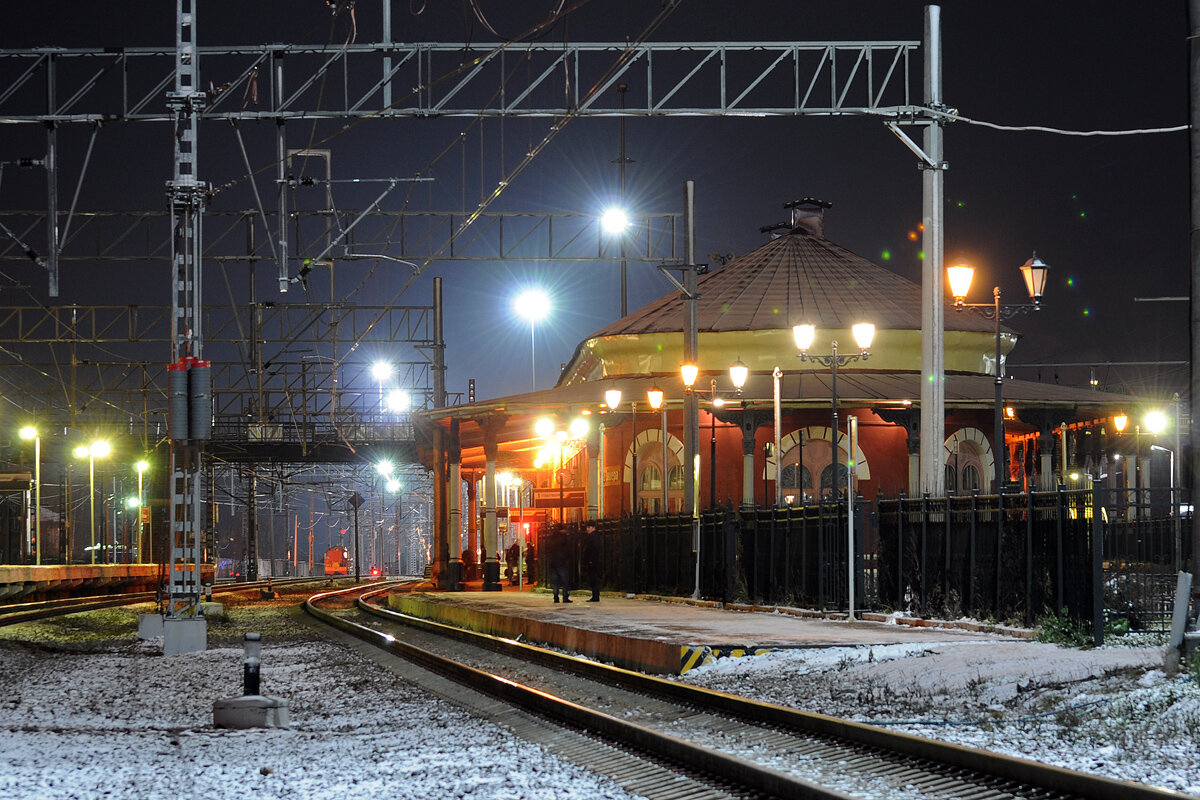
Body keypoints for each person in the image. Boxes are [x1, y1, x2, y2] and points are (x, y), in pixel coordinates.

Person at [548, 526, 571, 603]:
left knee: (555, 582)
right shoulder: (564, 539)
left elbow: (547, 549)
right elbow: (568, 550)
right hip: (562, 562)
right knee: (564, 581)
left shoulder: (552, 539)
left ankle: (556, 597)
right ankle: (565, 597)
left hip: (553, 563)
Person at [580, 522, 601, 602]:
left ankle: (595, 596)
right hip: (592, 560)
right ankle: (595, 595)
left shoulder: (593, 537)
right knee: (593, 578)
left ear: (593, 528)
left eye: (589, 527)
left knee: (593, 578)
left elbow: (593, 549)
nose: (587, 529)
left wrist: (590, 560)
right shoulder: (594, 536)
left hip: (592, 561)